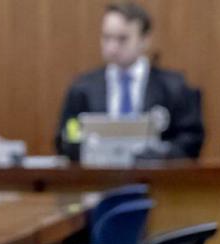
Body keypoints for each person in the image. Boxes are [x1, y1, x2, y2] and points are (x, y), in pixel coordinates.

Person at [55, 2, 205, 160]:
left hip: (156, 179)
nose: (112, 47)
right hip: (97, 178)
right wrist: (84, 148)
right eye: (106, 38)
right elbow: (65, 137)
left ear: (144, 40)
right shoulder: (82, 89)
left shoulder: (174, 88)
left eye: (122, 39)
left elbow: (191, 140)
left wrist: (160, 153)